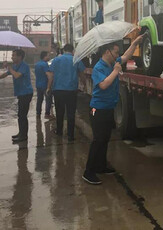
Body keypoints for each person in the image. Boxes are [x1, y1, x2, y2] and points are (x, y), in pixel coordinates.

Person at [82, 34, 144, 185]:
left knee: (105, 139)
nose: (118, 55)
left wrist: (135, 43)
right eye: (115, 52)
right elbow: (103, 85)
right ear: (107, 52)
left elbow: (126, 56)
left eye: (117, 53)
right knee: (98, 140)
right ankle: (88, 172)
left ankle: (101, 166)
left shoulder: (112, 63)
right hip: (98, 109)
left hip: (109, 108)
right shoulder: (99, 67)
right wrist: (116, 71)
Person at [47, 44, 85, 142]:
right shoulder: (76, 59)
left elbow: (51, 75)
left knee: (59, 112)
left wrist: (48, 87)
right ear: (72, 50)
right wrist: (84, 84)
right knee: (71, 113)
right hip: (71, 91)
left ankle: (59, 131)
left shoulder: (56, 60)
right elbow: (82, 74)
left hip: (58, 90)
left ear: (63, 50)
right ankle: (70, 135)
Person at [0, 49, 33, 142]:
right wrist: (7, 69)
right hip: (21, 93)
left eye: (14, 55)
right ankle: (21, 133)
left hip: (26, 93)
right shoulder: (15, 66)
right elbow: (5, 74)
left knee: (22, 115)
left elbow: (17, 75)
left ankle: (23, 136)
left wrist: (10, 68)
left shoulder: (24, 66)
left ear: (20, 57)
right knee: (20, 115)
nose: (12, 57)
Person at [34, 51, 52, 118]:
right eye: (48, 55)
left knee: (39, 99)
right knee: (48, 99)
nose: (49, 57)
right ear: (45, 56)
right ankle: (47, 114)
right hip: (45, 85)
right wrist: (49, 86)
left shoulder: (37, 64)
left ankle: (38, 113)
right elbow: (49, 75)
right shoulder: (44, 64)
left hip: (38, 85)